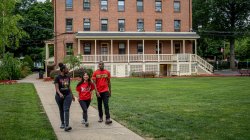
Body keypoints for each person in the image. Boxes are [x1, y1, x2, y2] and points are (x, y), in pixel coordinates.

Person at [54, 63, 75, 131]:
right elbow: (57, 88)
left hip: (68, 95)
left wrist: (72, 95)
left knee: (66, 109)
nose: (68, 70)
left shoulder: (68, 77)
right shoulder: (57, 77)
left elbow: (69, 87)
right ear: (63, 70)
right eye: (66, 69)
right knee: (61, 109)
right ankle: (62, 123)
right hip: (59, 96)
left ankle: (66, 125)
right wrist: (60, 94)